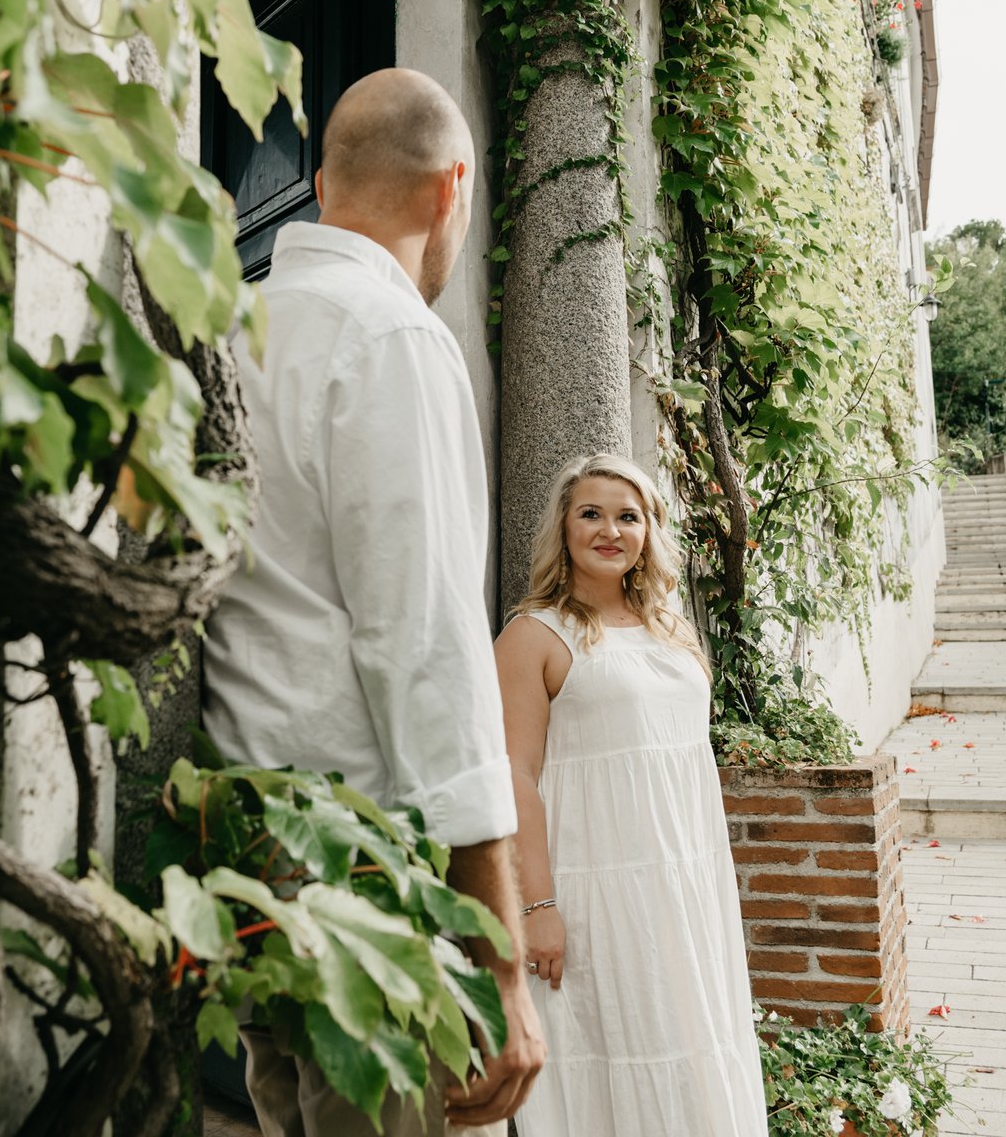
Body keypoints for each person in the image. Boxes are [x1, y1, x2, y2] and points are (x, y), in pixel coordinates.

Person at [203, 68, 544, 1136]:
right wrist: (500, 960)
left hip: (248, 855)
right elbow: (426, 649)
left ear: (318, 185)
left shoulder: (237, 327)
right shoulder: (391, 337)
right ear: (453, 189)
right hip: (365, 880)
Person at [496, 454, 768, 1137]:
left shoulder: (669, 628)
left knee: (696, 1047)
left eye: (628, 516)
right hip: (594, 891)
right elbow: (515, 776)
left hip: (686, 885)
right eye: (591, 513)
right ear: (563, 527)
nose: (609, 530)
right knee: (613, 1049)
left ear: (649, 530)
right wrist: (537, 907)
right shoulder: (533, 635)